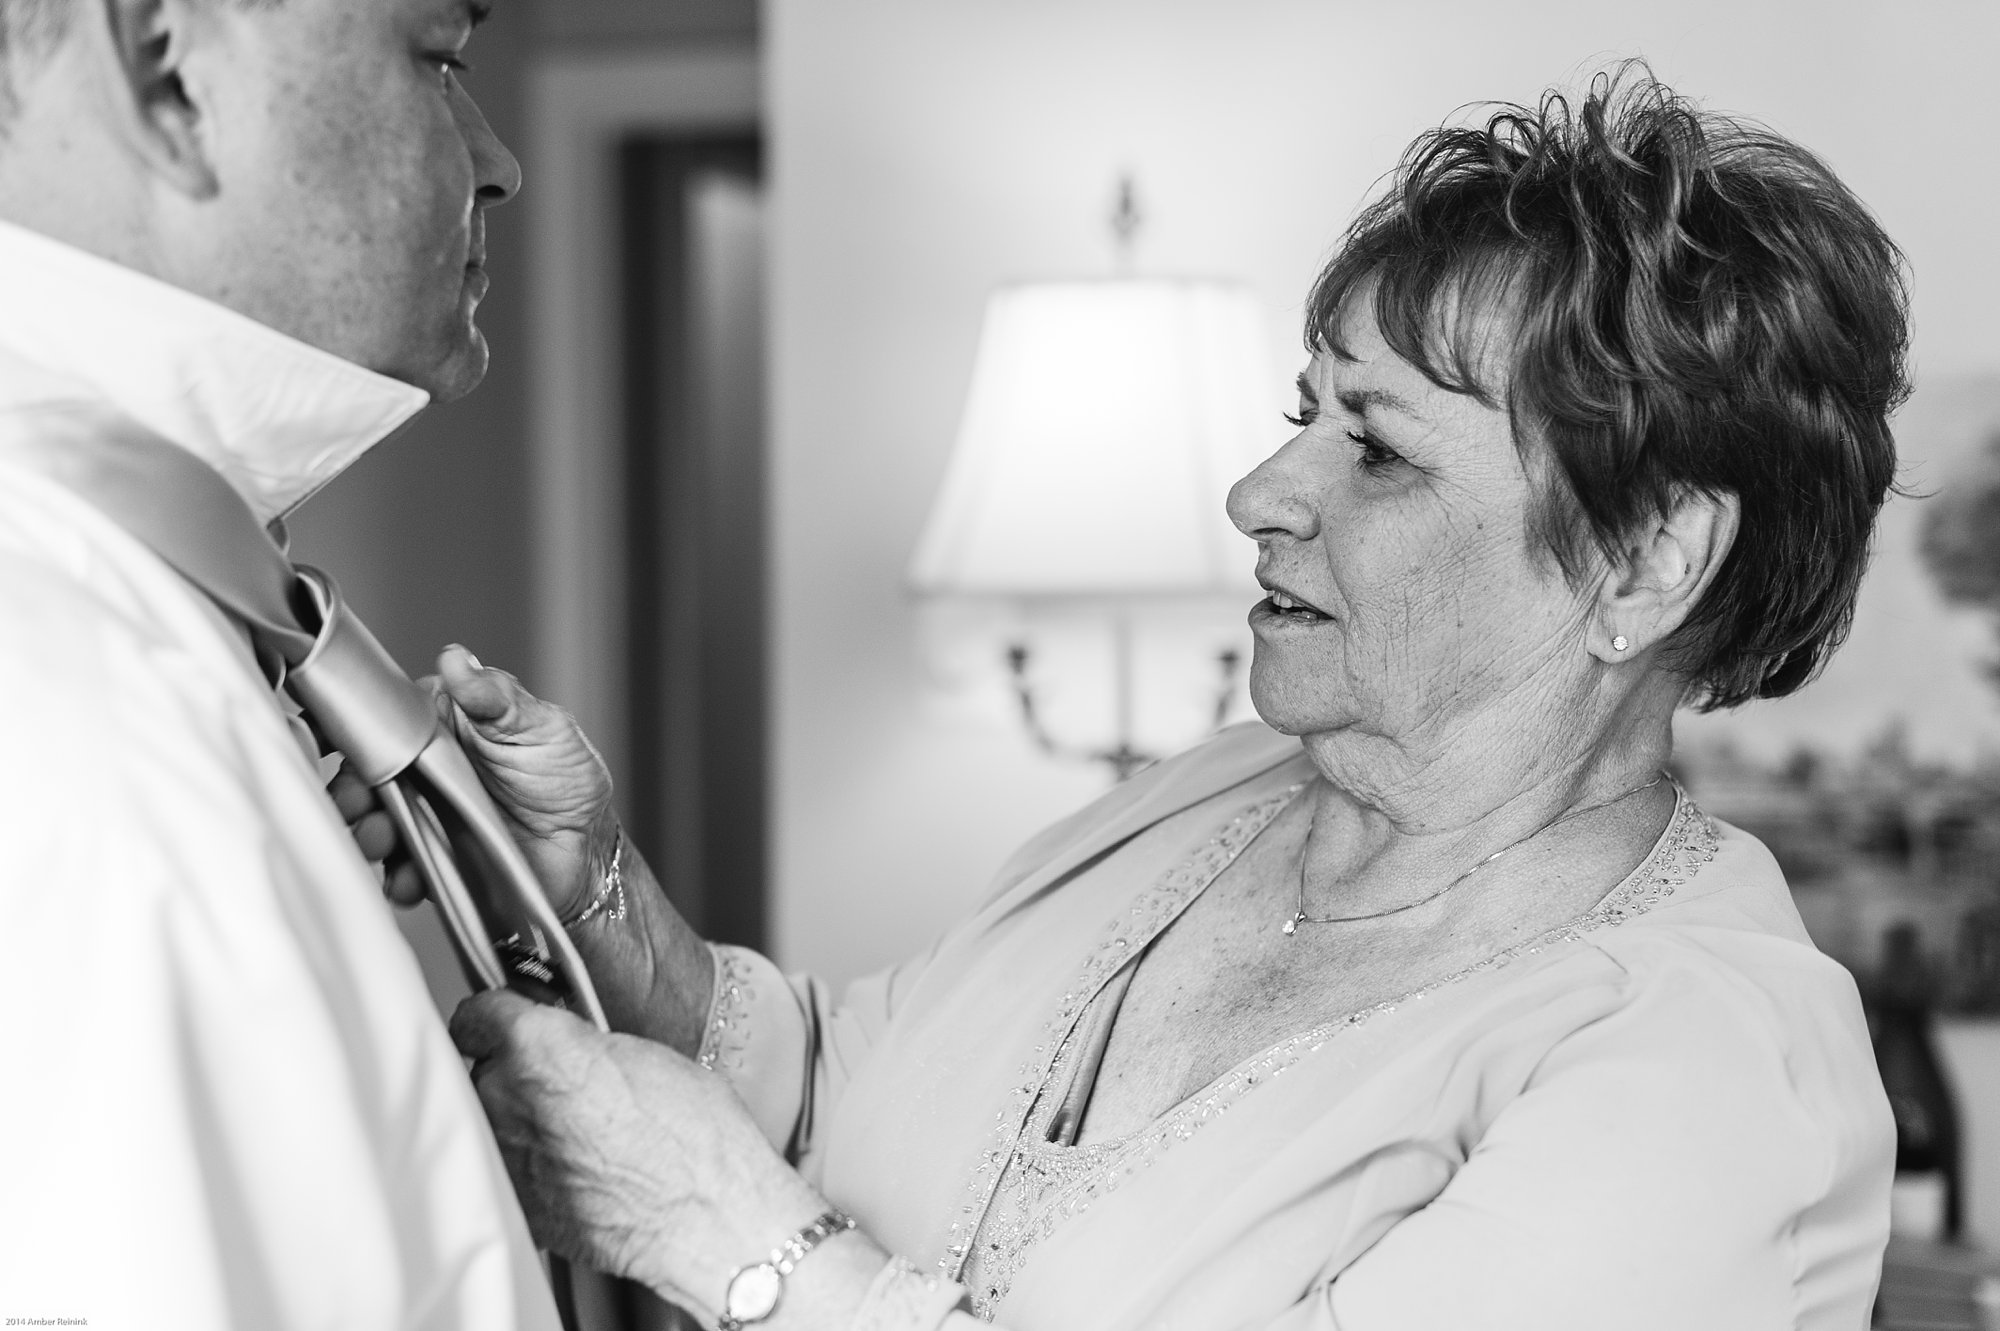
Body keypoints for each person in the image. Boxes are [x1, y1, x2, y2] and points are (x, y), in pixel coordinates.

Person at [398, 68, 1905, 1329]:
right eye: (1300, 414)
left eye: (1377, 449)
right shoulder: (1215, 789)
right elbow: (838, 1098)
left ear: (1648, 559)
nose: (1258, 492)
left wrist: (739, 1247)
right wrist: (591, 890)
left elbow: (776, 1211)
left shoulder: (1708, 1074)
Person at [0, 0, 559, 1327]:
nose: (500, 160)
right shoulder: (91, 747)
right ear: (169, 72)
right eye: (441, 60)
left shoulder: (151, 622)